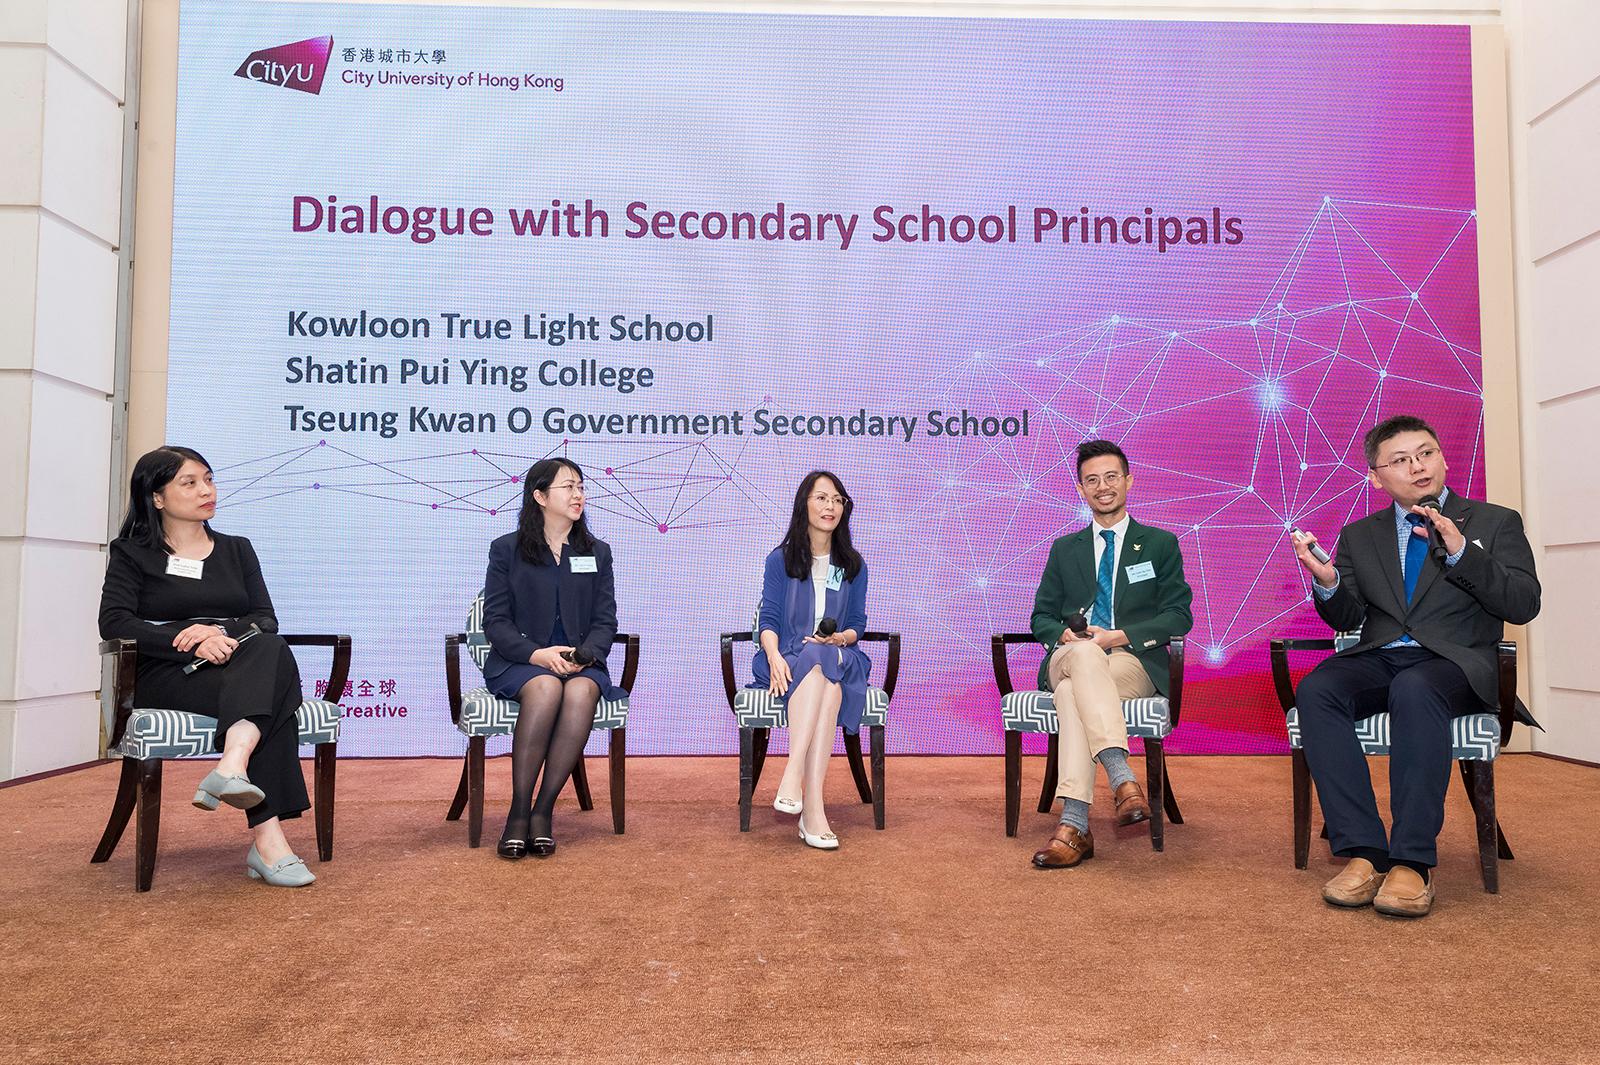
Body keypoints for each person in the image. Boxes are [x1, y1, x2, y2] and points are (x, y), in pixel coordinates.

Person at [1291, 414, 1539, 917]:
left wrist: (1462, 553)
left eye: (1426, 453)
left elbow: (1523, 604)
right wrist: (1327, 582)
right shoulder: (1360, 534)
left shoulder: (1495, 521)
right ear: (1375, 477)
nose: (1418, 466)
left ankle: (1412, 861)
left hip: (1457, 662)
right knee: (1318, 689)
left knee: (1416, 686)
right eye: (1401, 460)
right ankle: (1365, 851)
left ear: (1442, 458)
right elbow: (1349, 617)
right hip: (1382, 655)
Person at [98, 446, 316, 887]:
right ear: (156, 497)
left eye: (209, 479)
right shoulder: (132, 553)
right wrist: (190, 639)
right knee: (272, 695)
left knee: (270, 647)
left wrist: (218, 633)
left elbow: (264, 617)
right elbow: (114, 622)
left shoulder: (236, 549)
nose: (207, 490)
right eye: (190, 482)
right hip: (165, 672)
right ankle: (266, 842)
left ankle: (234, 765)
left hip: (234, 663)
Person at [1028, 440, 1194, 869]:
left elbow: (1179, 615)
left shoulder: (1159, 544)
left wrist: (1117, 636)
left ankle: (1073, 825)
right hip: (1071, 655)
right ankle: (1121, 777)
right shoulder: (1065, 549)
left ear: (1128, 481)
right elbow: (1041, 616)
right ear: (1080, 489)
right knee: (1084, 657)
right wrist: (1064, 634)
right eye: (1092, 480)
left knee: (1072, 694)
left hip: (1130, 658)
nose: (1102, 487)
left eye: (1111, 477)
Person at [482, 458, 619, 860]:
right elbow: (496, 621)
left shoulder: (597, 552)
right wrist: (537, 654)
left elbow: (605, 620)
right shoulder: (507, 550)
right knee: (545, 688)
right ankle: (518, 813)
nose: (578, 495)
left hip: (581, 663)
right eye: (568, 487)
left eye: (581, 487)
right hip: (521, 661)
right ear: (540, 497)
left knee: (579, 692)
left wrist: (586, 655)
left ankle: (542, 812)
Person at [750, 471, 872, 850]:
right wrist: (772, 655)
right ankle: (813, 812)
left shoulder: (852, 565)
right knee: (828, 687)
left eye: (837, 500)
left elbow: (857, 624)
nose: (830, 506)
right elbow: (769, 619)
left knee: (824, 655)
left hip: (839, 655)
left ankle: (792, 773)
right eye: (821, 498)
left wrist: (840, 638)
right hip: (788, 657)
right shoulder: (781, 560)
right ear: (804, 504)